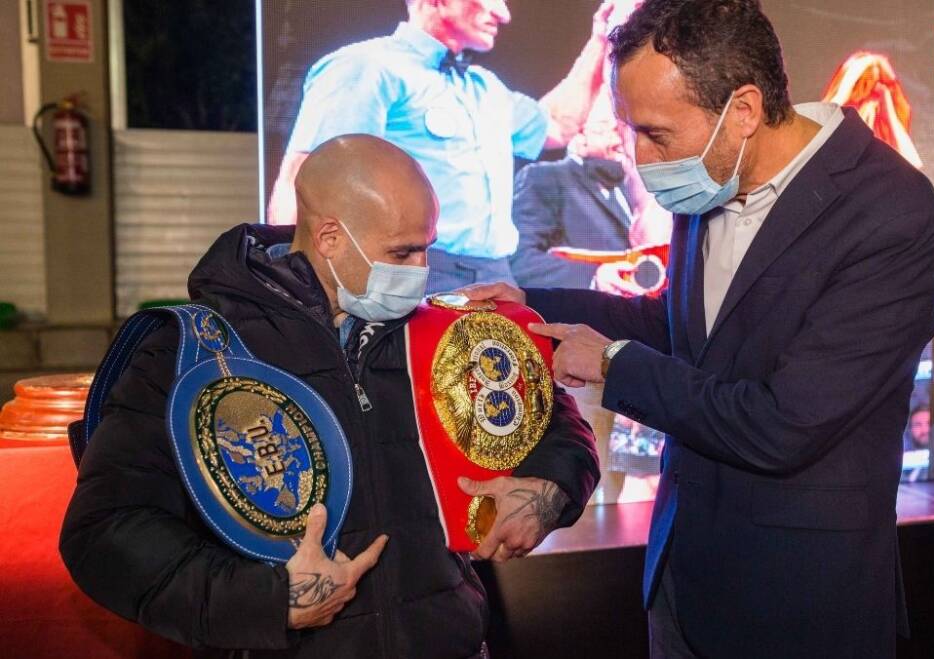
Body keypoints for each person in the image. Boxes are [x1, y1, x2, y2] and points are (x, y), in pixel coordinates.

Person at [464, 1, 934, 656]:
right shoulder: (712, 173)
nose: (638, 154)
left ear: (743, 110)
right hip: (682, 584)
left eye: (656, 134)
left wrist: (612, 366)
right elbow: (683, 326)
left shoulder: (889, 214)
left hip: (799, 611)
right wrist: (528, 303)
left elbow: (785, 425)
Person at [59, 135, 599, 658]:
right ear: (330, 238)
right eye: (403, 252)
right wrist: (268, 601)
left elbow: (560, 427)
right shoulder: (196, 350)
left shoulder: (436, 330)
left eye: (427, 248)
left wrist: (547, 491)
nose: (422, 272)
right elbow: (105, 533)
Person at [268, 0, 615, 293]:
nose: (503, 13)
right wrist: (293, 287)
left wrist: (602, 37)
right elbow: (304, 180)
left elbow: (559, 125)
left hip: (498, 278)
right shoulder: (368, 68)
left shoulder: (485, 87)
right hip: (412, 274)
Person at [510, 107, 634, 290]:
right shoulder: (545, 176)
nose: (619, 139)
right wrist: (594, 279)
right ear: (579, 137)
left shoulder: (626, 188)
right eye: (608, 129)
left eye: (623, 129)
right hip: (579, 311)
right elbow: (520, 262)